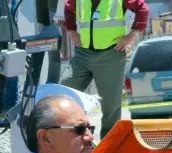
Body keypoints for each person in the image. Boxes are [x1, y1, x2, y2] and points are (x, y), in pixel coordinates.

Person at [61, 0, 148, 140]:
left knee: (111, 104)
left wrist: (131, 35)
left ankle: (109, 145)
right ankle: (72, 135)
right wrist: (71, 31)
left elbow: (142, 10)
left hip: (111, 53)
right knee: (66, 87)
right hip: (83, 52)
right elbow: (68, 8)